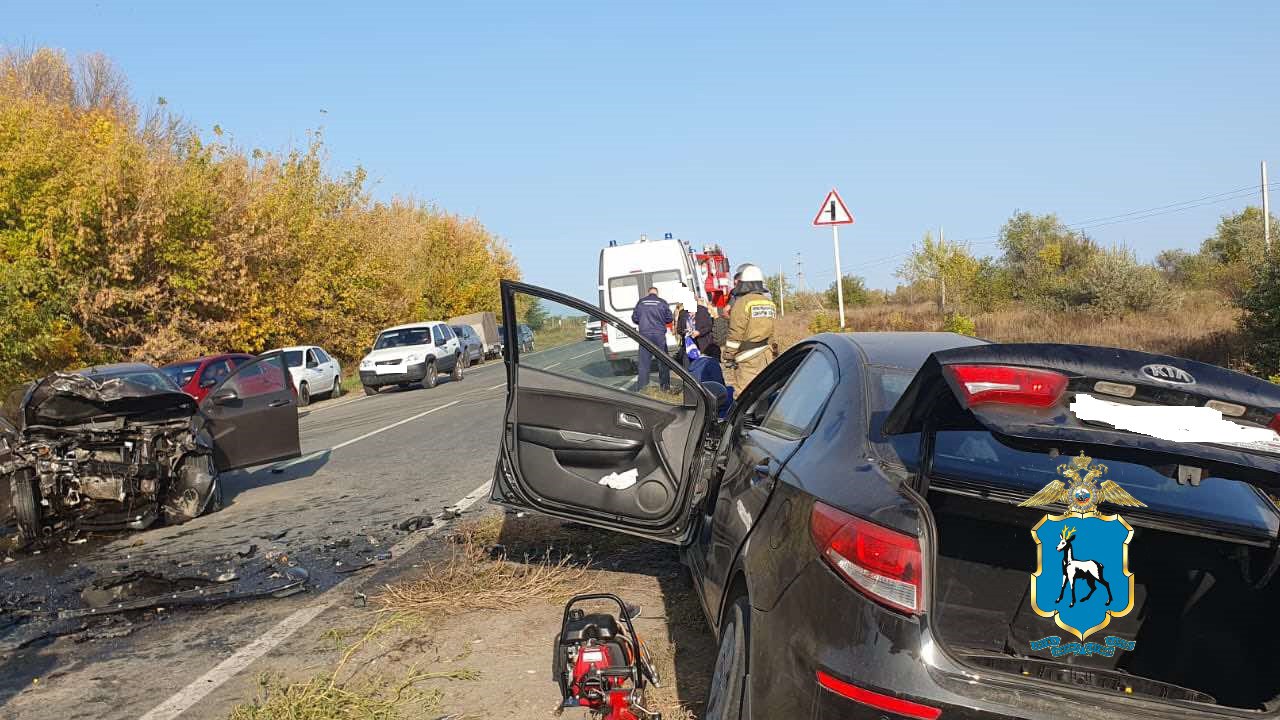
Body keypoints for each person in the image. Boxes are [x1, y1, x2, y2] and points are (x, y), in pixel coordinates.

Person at [723, 264, 777, 390]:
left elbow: (735, 332)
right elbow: (773, 331)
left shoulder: (742, 303)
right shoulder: (768, 302)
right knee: (763, 392)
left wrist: (729, 355)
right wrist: (774, 351)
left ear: (744, 283)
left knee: (745, 394)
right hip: (766, 354)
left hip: (747, 358)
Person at [631, 286, 673, 391]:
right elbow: (669, 318)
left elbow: (634, 318)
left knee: (644, 363)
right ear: (657, 293)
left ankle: (642, 387)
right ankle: (665, 387)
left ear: (648, 292)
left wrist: (642, 323)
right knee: (663, 361)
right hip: (659, 335)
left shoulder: (641, 302)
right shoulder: (662, 302)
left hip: (644, 335)